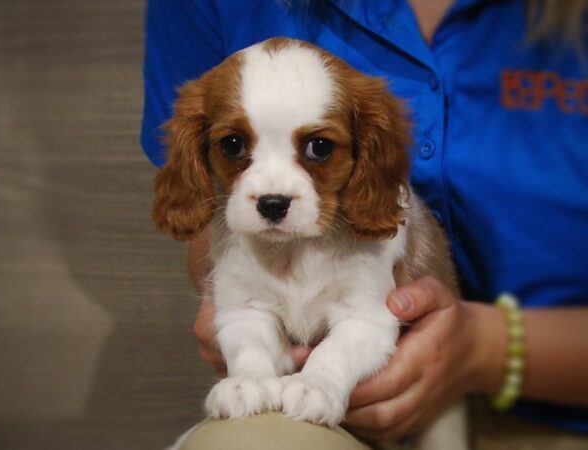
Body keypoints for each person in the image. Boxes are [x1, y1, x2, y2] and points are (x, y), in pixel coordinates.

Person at [141, 0, 588, 448]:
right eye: (235, 145)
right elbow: (235, 296)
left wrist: (327, 376)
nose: (271, 190)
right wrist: (251, 357)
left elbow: (369, 319)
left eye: (318, 149)